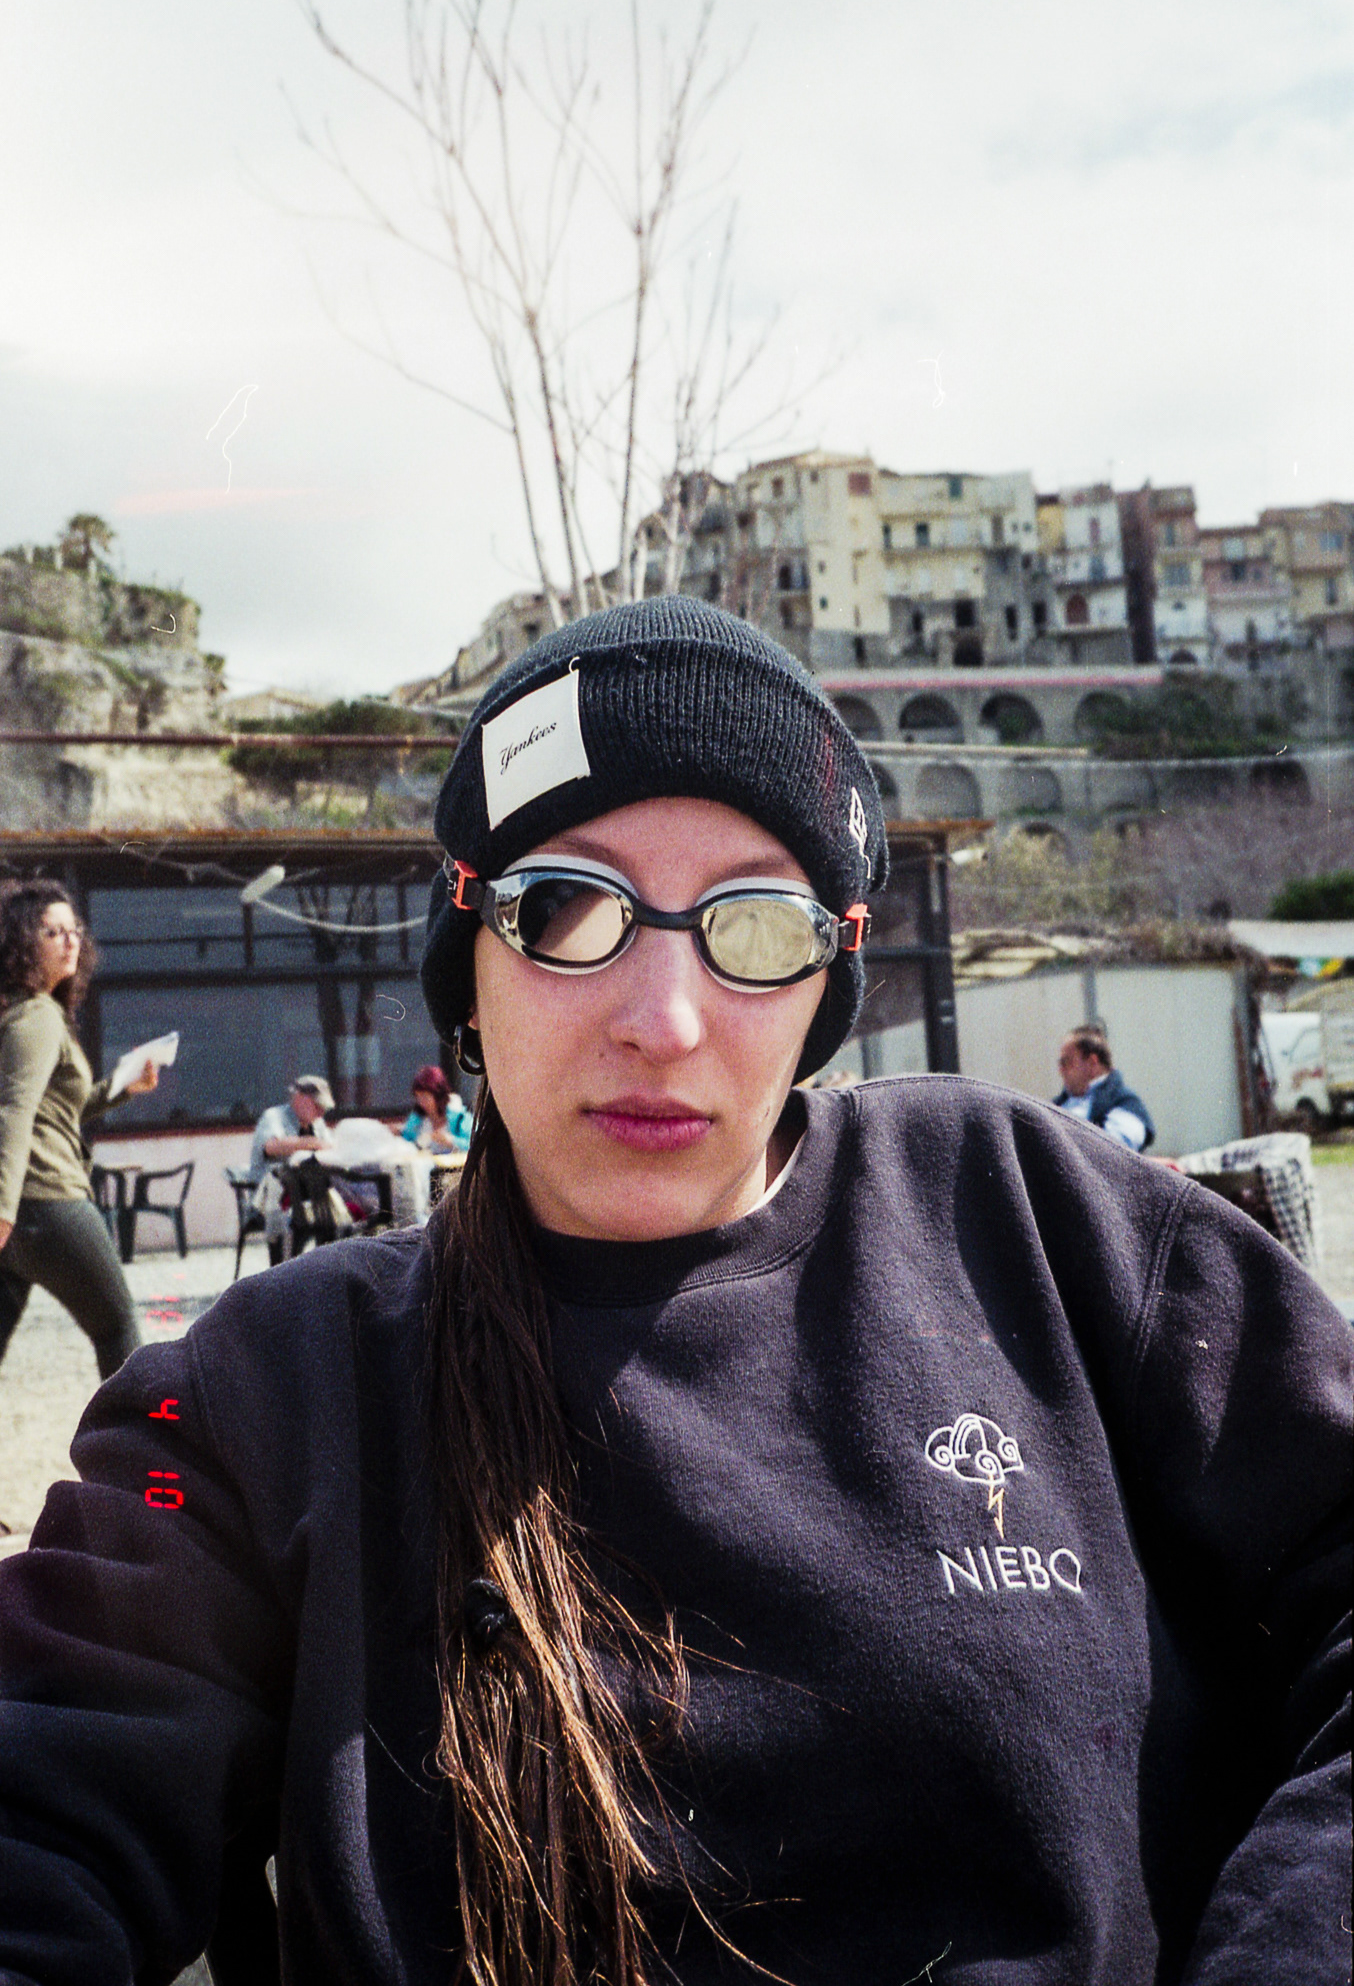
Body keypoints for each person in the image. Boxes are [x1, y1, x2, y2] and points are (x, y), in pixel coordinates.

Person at [0, 597, 1349, 1986]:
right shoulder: (276, 1387)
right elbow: (46, 1800)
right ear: (469, 961)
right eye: (566, 909)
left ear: (826, 976)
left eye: (753, 926)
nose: (664, 1019)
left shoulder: (1032, 1220)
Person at [0, 879, 159, 1380]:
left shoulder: (22, 1012)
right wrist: (2, 1208)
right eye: (53, 932)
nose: (70, 941)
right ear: (22, 943)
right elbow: (13, 1110)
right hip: (47, 1202)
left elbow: (55, 1112)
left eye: (74, 930)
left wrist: (122, 1088)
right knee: (117, 1329)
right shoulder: (38, 1016)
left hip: (21, 1208)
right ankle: (133, 1431)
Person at [247, 1075, 334, 1264]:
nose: (321, 1113)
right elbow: (271, 1147)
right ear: (300, 1099)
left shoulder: (317, 1124)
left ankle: (326, 1270)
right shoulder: (274, 1117)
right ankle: (284, 1271)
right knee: (299, 1222)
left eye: (324, 1108)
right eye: (318, 1106)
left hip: (308, 1198)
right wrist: (309, 1143)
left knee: (337, 1221)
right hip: (271, 1201)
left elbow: (330, 1148)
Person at [1053, 1022, 1155, 1150]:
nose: (1061, 1070)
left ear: (1092, 1063)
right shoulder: (1056, 1105)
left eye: (1066, 1062)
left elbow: (1113, 1151)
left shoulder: (1126, 1104)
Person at [400, 1061, 473, 1153]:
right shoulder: (416, 1119)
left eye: (425, 1097)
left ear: (438, 1095)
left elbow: (475, 1145)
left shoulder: (460, 1119)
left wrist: (451, 1141)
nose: (421, 1102)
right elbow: (406, 1143)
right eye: (418, 1097)